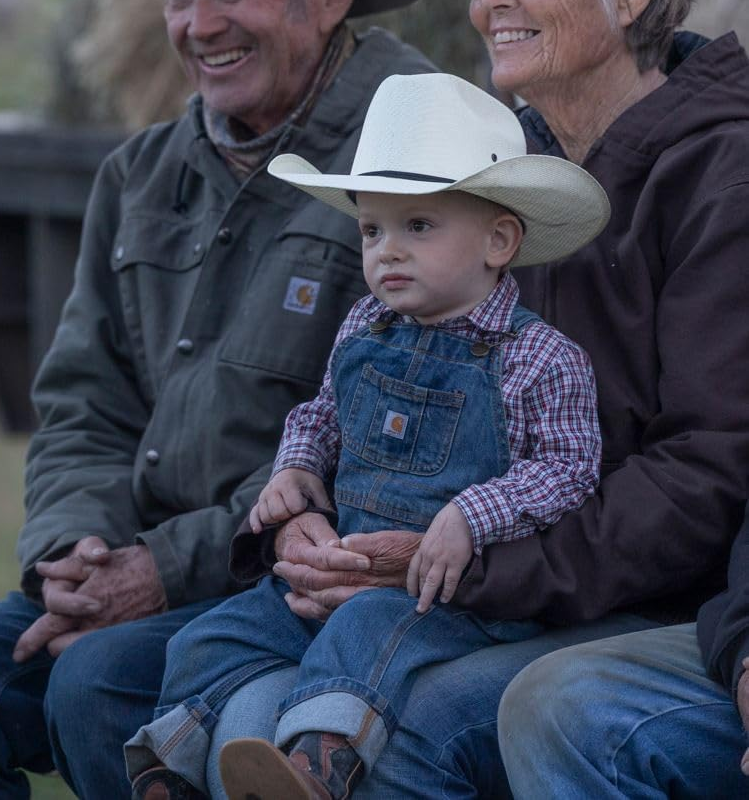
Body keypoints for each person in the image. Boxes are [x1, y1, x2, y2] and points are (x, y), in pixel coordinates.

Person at [0, 0, 433, 796]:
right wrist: (73, 550)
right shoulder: (139, 174)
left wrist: (162, 570)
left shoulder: (409, 152)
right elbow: (83, 401)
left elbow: (381, 441)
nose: (197, 25)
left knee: (97, 681)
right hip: (139, 573)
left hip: (293, 584)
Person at [214, 0, 749, 796]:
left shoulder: (723, 176)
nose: (488, 0)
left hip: (638, 597)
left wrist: (460, 566)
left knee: (411, 729)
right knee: (246, 715)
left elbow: (709, 466)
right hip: (483, 574)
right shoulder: (504, 158)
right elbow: (391, 386)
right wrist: (315, 512)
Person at [124, 71, 609, 800]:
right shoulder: (362, 326)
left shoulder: (538, 356)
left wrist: (470, 514)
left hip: (447, 601)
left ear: (498, 239)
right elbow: (322, 413)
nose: (387, 251)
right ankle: (174, 761)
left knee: (365, 632)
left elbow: (569, 467)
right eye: (371, 229)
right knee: (217, 629)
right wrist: (292, 472)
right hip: (341, 560)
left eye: (418, 226)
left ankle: (319, 765)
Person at [495, 500, 749, 797]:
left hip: (659, 600)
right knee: (550, 704)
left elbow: (682, 496)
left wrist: (484, 568)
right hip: (722, 629)